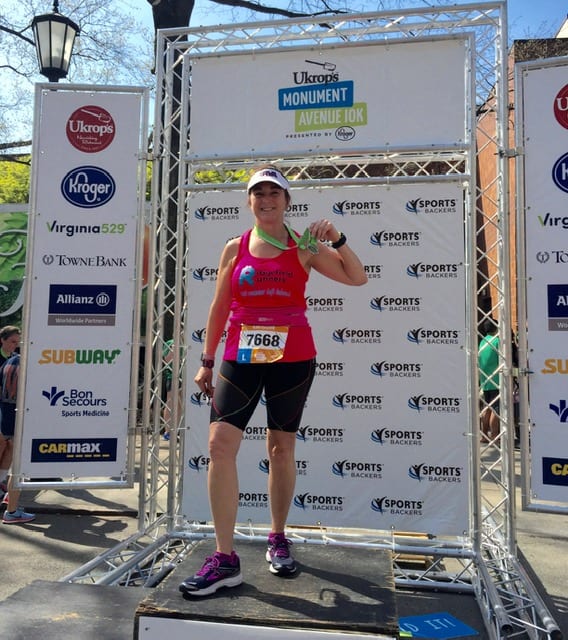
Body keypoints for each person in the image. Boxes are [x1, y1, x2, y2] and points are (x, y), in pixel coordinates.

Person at [179, 166, 367, 597]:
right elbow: (219, 307)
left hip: (293, 358)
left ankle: (278, 535)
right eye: (258, 193)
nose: (266, 200)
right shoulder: (235, 247)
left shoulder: (303, 246)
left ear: (286, 201)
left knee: (281, 447)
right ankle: (225, 558)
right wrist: (207, 360)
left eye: (274, 193)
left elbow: (357, 278)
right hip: (239, 357)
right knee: (218, 445)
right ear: (249, 202)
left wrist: (336, 240)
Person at [0, 350, 35, 523]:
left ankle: (9, 498)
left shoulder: (9, 362)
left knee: (13, 461)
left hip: (5, 415)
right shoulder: (32, 363)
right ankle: (11, 510)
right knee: (19, 467)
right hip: (20, 417)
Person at [0, 325, 21, 498]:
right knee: (1, 444)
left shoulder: (16, 358)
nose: (16, 345)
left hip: (11, 410)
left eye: (18, 342)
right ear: (3, 340)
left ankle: (1, 481)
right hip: (2, 409)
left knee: (11, 446)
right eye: (13, 341)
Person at [479, 317, 500, 442]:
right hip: (496, 380)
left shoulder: (482, 342)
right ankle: (494, 435)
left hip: (485, 381)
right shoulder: (497, 341)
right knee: (496, 410)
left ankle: (484, 435)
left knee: (487, 408)